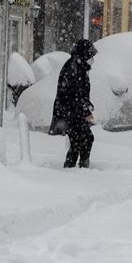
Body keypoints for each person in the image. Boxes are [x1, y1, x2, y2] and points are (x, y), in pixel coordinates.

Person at [49, 39, 97, 168]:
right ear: (84, 54)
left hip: (71, 112)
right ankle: (80, 167)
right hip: (70, 112)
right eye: (90, 55)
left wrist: (87, 106)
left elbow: (79, 93)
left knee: (77, 141)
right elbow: (75, 94)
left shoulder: (78, 66)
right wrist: (86, 111)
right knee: (86, 138)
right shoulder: (74, 68)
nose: (92, 59)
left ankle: (73, 167)